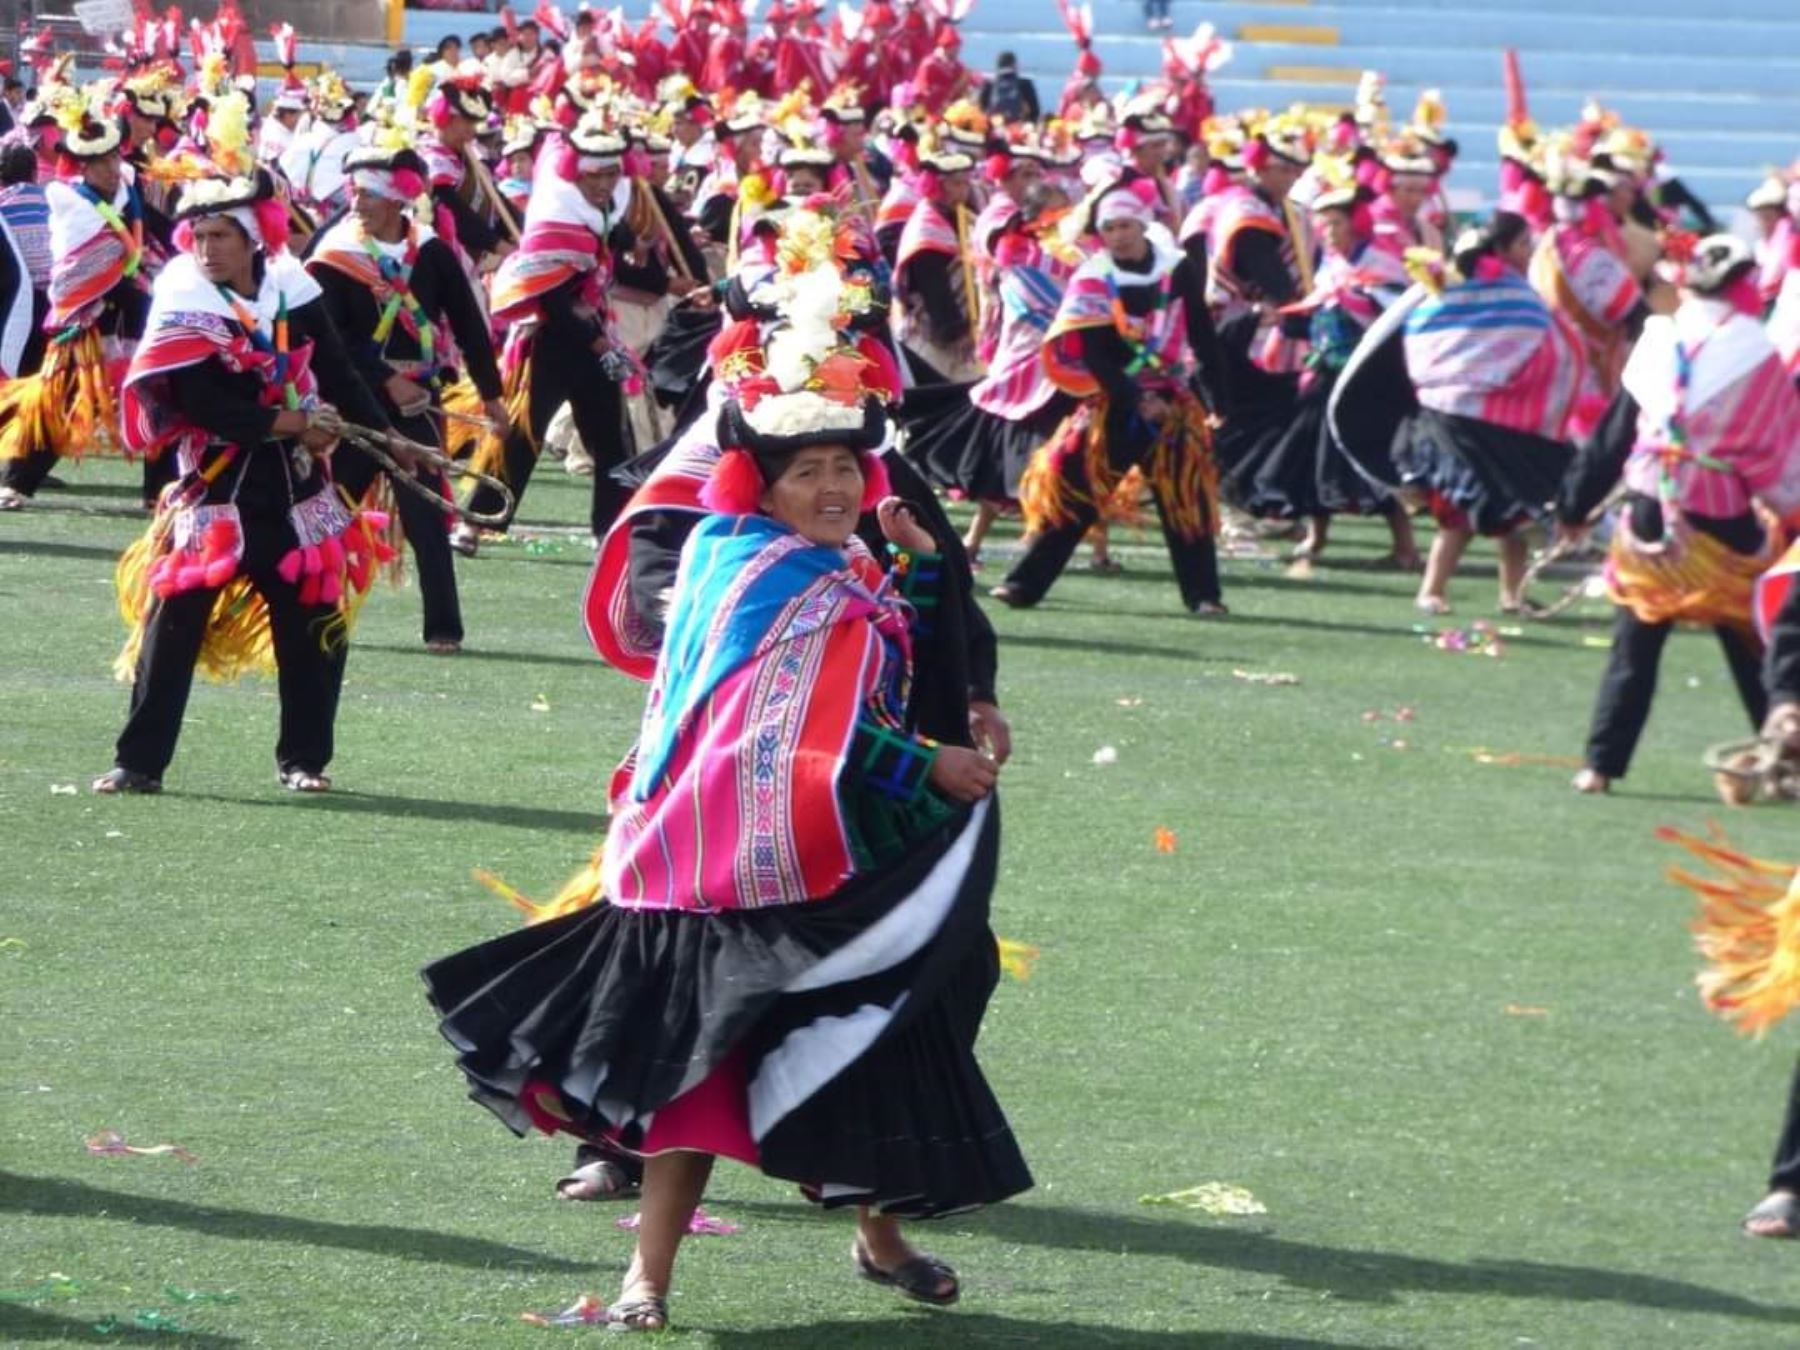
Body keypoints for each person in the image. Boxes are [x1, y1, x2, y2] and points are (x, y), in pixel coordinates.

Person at [424, 300, 1030, 1333]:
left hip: (836, 851)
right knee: (700, 1090)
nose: (835, 486)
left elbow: (874, 690)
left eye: (846, 465)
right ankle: (645, 1281)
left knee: (871, 1039)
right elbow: (772, 736)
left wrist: (925, 572)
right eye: (809, 471)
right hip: (729, 868)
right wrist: (928, 762)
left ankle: (879, 1242)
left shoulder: (841, 566)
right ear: (763, 481)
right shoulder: (746, 572)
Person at [93, 169, 410, 795]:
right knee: (173, 622)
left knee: (318, 624)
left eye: (220, 236)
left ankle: (304, 759)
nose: (206, 249)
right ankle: (138, 762)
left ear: (254, 238)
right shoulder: (184, 296)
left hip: (296, 492)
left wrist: (385, 435)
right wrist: (296, 421)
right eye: (199, 234)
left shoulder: (291, 286)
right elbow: (208, 404)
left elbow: (341, 371)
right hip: (217, 491)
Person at [1557, 234, 1800, 793]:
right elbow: (1775, 448)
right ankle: (1782, 751)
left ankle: (1599, 766)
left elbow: (1615, 432)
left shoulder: (1659, 339)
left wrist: (1574, 503)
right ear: (1743, 285)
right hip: (1722, 513)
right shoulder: (1756, 352)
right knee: (1752, 633)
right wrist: (1788, 511)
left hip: (1649, 508)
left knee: (1636, 640)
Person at [305, 146, 507, 655]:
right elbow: (330, 337)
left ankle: (444, 627)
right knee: (330, 512)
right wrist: (383, 380)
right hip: (355, 407)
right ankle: (309, 612)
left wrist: (493, 396)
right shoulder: (335, 256)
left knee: (426, 517)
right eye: (354, 192)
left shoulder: (433, 252)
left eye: (368, 194)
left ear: (397, 200)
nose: (356, 202)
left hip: (419, 406)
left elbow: (468, 324)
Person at [992, 184, 1231, 614]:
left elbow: (1202, 336)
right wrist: (1136, 398)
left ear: (1142, 225)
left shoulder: (1177, 270)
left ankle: (1204, 596)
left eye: (1126, 226)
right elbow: (1094, 353)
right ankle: (1022, 585)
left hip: (1173, 403)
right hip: (1115, 404)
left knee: (1186, 501)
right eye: (1110, 228)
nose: (1119, 235)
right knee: (1079, 492)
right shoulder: (1093, 278)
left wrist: (1215, 399)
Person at [1335, 213, 1581, 614]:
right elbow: (1431, 339)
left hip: (1501, 420)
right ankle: (1431, 590)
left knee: (1514, 514)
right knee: (1461, 513)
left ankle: (1511, 595)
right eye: (1522, 245)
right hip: (1459, 419)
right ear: (1500, 249)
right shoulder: (1465, 289)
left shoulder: (1505, 290)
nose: (1529, 252)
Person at [457, 114, 634, 551]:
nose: (604, 184)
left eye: (612, 174)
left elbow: (619, 247)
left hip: (592, 332)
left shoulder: (607, 211)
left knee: (611, 437)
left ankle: (609, 527)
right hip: (550, 342)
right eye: (596, 176)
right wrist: (595, 340)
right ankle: (475, 521)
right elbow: (552, 296)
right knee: (522, 436)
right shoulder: (553, 217)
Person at [978, 51, 1040, 124]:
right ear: (1015, 65)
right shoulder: (1025, 84)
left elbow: (981, 109)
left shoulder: (989, 84)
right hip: (1018, 129)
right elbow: (1035, 111)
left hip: (993, 128)